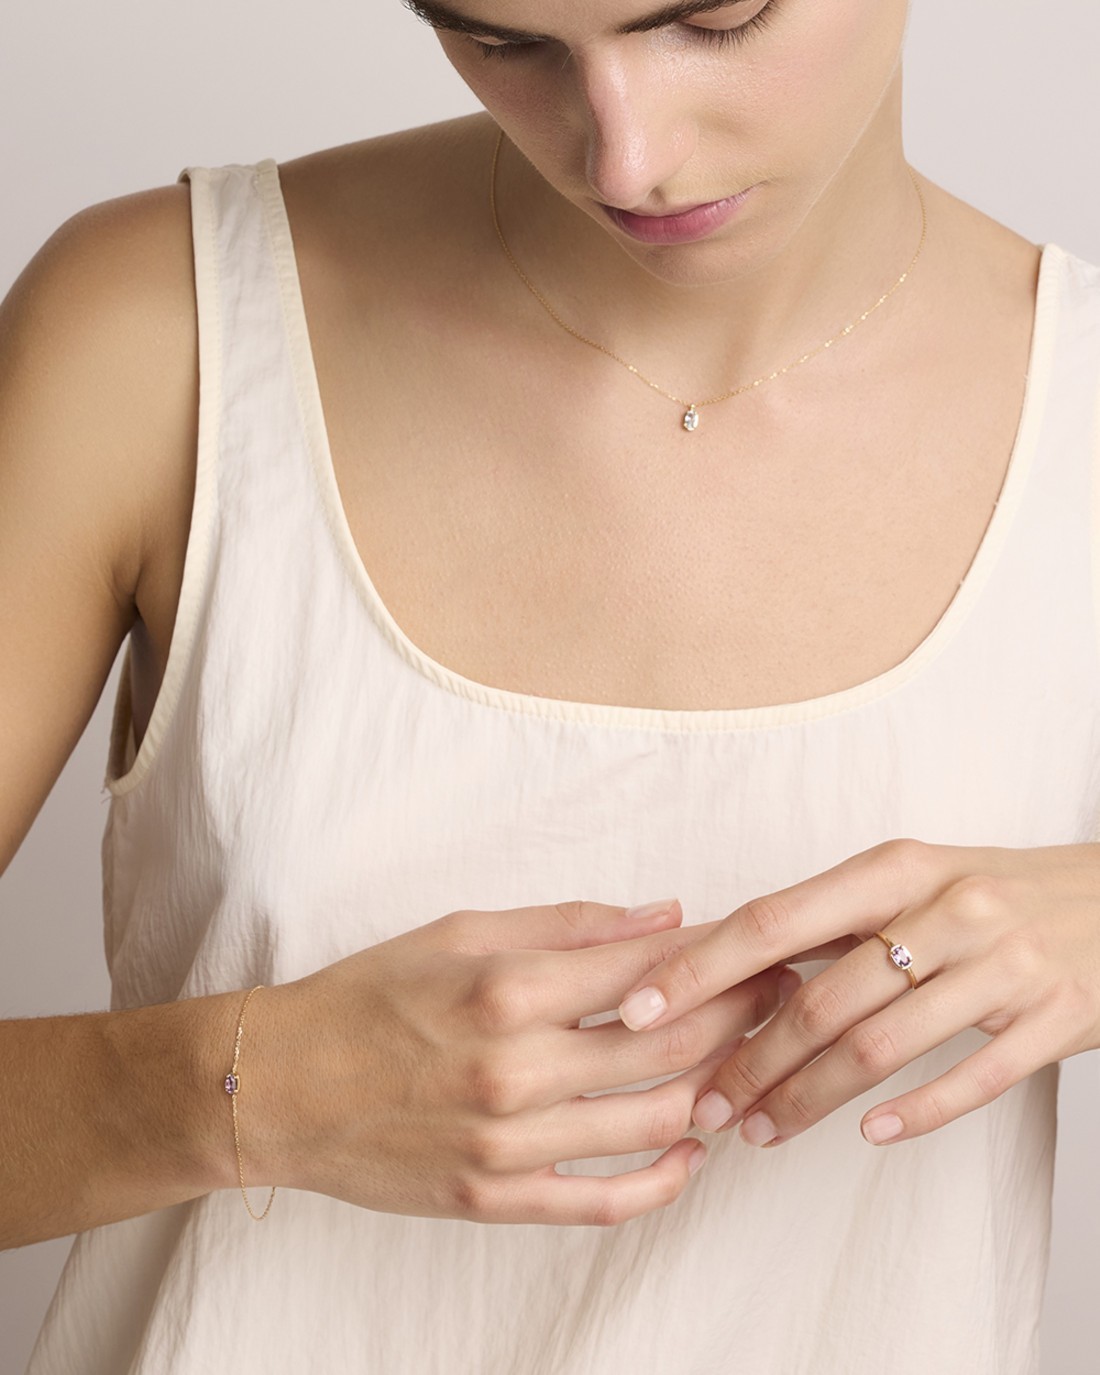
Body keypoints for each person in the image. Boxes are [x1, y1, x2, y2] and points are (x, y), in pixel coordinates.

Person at [3, 0, 1099, 1371]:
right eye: (504, 41)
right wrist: (252, 1090)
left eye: (711, 19)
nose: (623, 158)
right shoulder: (161, 330)